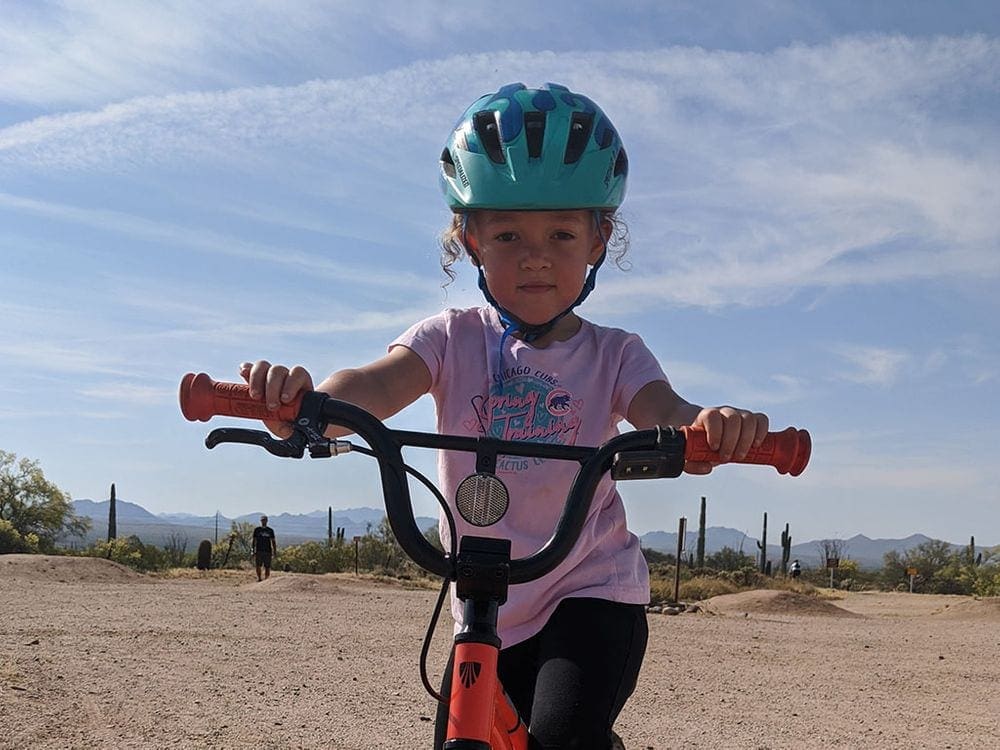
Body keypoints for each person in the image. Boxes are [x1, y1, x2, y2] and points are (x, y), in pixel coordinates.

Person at [241, 82, 770, 749]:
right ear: (469, 239)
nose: (536, 255)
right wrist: (306, 401)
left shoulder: (615, 355)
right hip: (483, 600)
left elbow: (664, 411)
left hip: (590, 592)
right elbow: (370, 387)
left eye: (561, 232)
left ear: (599, 239)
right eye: (509, 232)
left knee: (561, 737)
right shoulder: (449, 339)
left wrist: (709, 427)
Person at [251, 514, 277, 582]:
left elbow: (273, 541)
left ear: (267, 521)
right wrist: (252, 550)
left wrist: (274, 551)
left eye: (265, 520)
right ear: (261, 521)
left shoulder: (270, 530)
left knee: (267, 566)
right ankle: (259, 578)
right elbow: (254, 541)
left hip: (268, 551)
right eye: (262, 520)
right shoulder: (257, 530)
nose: (264, 521)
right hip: (259, 550)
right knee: (258, 565)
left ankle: (266, 580)